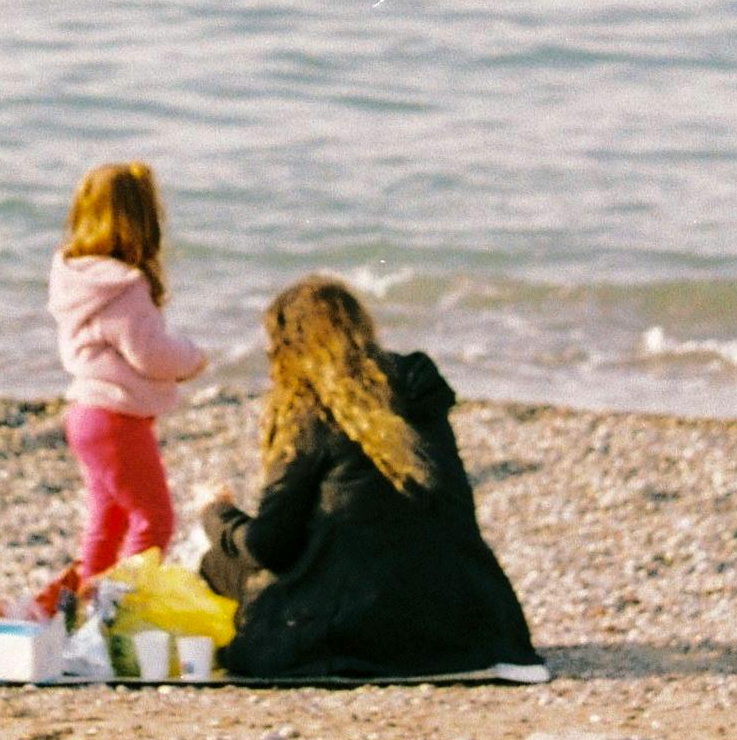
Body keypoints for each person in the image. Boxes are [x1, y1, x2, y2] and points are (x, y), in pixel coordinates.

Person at [196, 275, 537, 679]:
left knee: (219, 562)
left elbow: (270, 546)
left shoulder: (310, 412)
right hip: (460, 621)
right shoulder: (417, 395)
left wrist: (217, 515)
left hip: (356, 625)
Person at [48, 161, 212, 586]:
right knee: (155, 519)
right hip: (116, 419)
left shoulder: (77, 279)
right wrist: (192, 358)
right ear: (143, 222)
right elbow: (150, 354)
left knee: (109, 520)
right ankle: (123, 610)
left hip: (86, 412)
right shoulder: (125, 287)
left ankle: (87, 607)